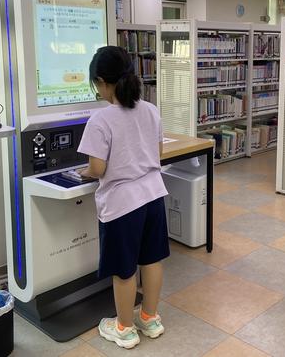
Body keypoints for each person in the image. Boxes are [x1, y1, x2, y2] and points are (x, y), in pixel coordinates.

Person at [78, 45, 169, 349]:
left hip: (123, 204)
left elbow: (98, 168)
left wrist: (83, 173)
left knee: (124, 269)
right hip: (153, 195)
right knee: (152, 260)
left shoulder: (101, 120)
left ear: (102, 82)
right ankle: (150, 318)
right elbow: (156, 153)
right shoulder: (150, 110)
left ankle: (124, 328)